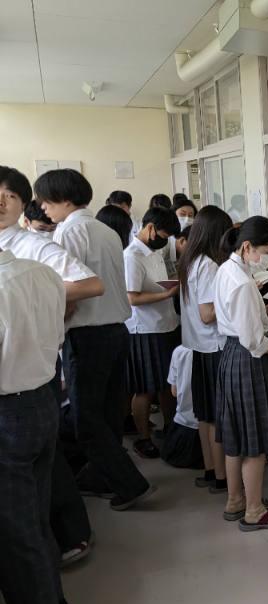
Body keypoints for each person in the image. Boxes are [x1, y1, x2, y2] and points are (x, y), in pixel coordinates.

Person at [36, 168, 156, 511]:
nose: (43, 207)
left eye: (45, 200)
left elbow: (72, 290)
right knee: (108, 414)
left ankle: (129, 484)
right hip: (117, 332)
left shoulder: (69, 232)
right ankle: (103, 478)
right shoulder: (106, 230)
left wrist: (56, 327)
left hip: (87, 334)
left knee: (86, 420)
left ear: (64, 198)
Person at [0, 167, 101, 565]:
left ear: (24, 204)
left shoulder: (32, 246)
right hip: (23, 370)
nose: (1, 202)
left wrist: (38, 301)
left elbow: (90, 284)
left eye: (9, 195)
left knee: (41, 466)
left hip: (29, 374)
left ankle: (65, 539)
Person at [0, 243, 73, 604]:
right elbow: (58, 339)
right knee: (36, 518)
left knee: (16, 533)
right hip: (43, 401)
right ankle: (53, 602)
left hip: (8, 411)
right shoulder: (43, 273)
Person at [214, 217, 268, 530]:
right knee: (256, 442)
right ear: (248, 246)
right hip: (249, 361)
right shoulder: (241, 281)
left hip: (232, 356)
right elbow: (254, 342)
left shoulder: (227, 269)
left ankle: (235, 500)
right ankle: (254, 511)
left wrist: (264, 310)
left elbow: (237, 318)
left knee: (238, 435)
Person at [178, 206, 234, 492]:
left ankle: (212, 472)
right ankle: (222, 478)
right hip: (214, 347)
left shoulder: (190, 260)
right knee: (216, 416)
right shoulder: (209, 265)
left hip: (199, 347)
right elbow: (207, 314)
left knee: (204, 415)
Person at [124, 206, 181, 459]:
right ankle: (143, 438)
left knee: (168, 384)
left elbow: (161, 281)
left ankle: (170, 427)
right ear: (150, 228)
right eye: (164, 235)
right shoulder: (132, 256)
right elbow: (133, 298)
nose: (165, 241)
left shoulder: (155, 252)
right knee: (145, 388)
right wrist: (168, 294)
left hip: (167, 324)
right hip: (144, 329)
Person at [161, 346, 204, 470]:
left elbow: (174, 392)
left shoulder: (180, 351)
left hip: (185, 424)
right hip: (214, 428)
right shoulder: (223, 351)